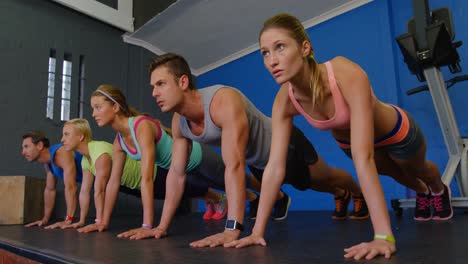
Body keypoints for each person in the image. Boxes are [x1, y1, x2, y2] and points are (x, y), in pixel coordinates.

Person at [231, 13, 453, 260]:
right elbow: (274, 166)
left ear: (305, 47)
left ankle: (437, 188)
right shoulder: (285, 100)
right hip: (350, 142)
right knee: (399, 175)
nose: (272, 60)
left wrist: (383, 237)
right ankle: (424, 192)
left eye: (280, 47)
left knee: (415, 168)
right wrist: (256, 231)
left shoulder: (344, 72)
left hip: (395, 131)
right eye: (265, 53)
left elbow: (363, 157)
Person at [147, 52, 367, 247]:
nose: (154, 93)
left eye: (160, 84)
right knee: (308, 186)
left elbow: (233, 166)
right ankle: (340, 194)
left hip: (285, 144)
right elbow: (176, 174)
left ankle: (356, 191)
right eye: (152, 87)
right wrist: (160, 227)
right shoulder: (179, 123)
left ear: (183, 81)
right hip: (260, 162)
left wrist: (232, 228)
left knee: (323, 177)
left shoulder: (222, 101)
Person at [89, 85, 259, 239]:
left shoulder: (141, 127)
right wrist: (102, 221)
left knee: (240, 179)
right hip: (180, 171)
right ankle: (254, 199)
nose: (93, 114)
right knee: (225, 187)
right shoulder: (119, 142)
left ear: (115, 107)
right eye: (93, 108)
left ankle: (274, 194)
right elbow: (113, 182)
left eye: (98, 107)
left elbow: (146, 178)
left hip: (198, 159)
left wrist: (147, 226)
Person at [58, 119, 228, 233]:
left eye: (66, 134)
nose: (62, 139)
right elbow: (84, 191)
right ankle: (212, 199)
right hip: (135, 186)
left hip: (151, 174)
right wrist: (79, 220)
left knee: (187, 188)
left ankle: (219, 197)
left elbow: (99, 190)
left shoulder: (99, 151)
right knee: (181, 192)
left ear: (80, 136)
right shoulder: (85, 161)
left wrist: (99, 221)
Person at [21, 131, 83, 229]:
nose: (23, 152)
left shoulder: (61, 152)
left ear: (40, 145)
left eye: (26, 147)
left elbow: (71, 187)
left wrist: (68, 220)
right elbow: (50, 190)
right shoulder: (48, 164)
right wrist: (45, 219)